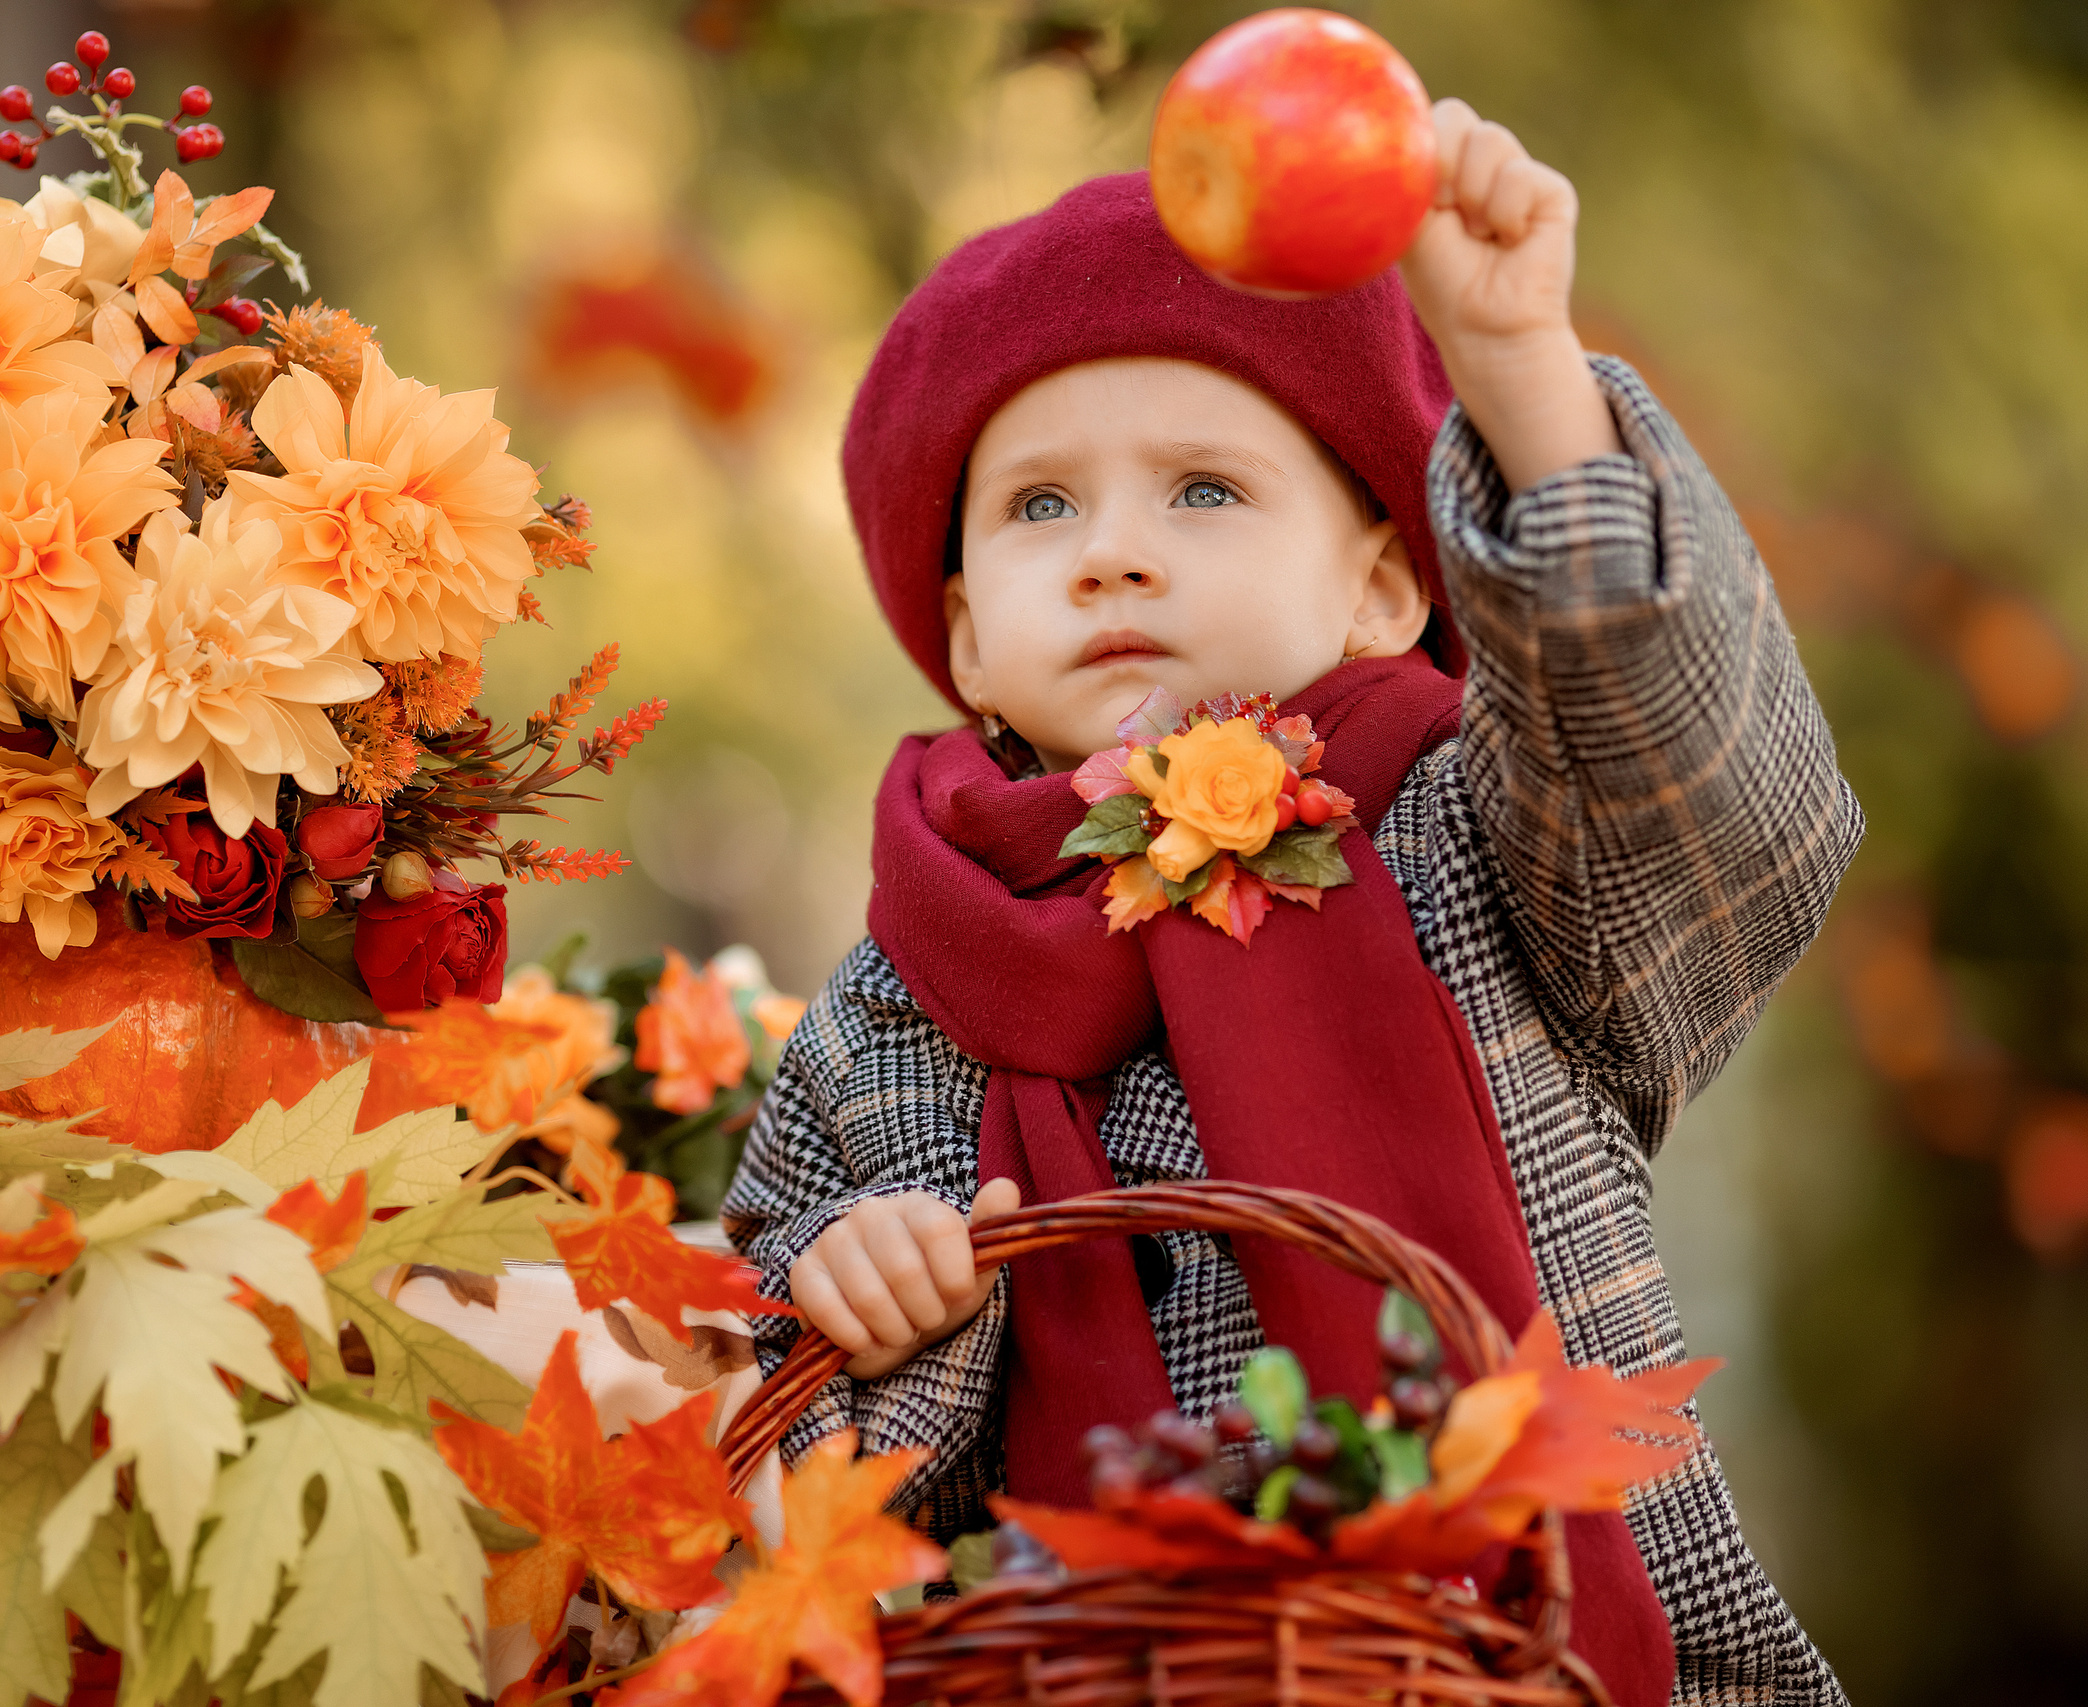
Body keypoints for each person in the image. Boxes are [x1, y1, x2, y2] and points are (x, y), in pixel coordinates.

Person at [722, 101, 1855, 1707]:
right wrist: (868, 1299)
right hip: (1094, 1671)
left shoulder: (1473, 843)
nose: (1114, 552)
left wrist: (1522, 370)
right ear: (970, 639)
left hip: (1531, 1668)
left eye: (1203, 489)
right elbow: (771, 1456)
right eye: (1042, 506)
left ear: (1387, 586)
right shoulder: (889, 1009)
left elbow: (1694, 791)